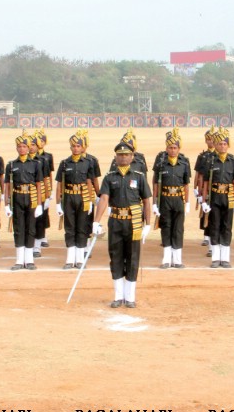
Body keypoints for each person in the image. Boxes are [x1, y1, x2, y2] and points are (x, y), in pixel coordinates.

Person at [93, 138, 152, 308]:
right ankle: (118, 296)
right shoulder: (110, 177)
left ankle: (130, 296)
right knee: (116, 257)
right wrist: (96, 222)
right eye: (120, 155)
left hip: (133, 222)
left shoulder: (139, 177)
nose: (123, 158)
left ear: (132, 156)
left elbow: (147, 200)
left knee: (132, 257)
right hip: (116, 222)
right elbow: (104, 198)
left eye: (126, 155)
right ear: (115, 157)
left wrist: (148, 224)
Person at [56, 130, 98, 270]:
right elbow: (59, 185)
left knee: (81, 227)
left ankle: (80, 259)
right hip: (68, 197)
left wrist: (91, 200)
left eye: (78, 146)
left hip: (83, 197)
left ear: (82, 147)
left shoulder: (88, 163)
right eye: (73, 146)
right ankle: (70, 259)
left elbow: (89, 182)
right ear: (70, 148)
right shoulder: (64, 163)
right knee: (70, 228)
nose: (76, 148)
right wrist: (57, 203)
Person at [4, 131, 45, 270]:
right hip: (17, 198)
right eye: (19, 146)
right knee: (18, 228)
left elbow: (39, 185)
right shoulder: (11, 164)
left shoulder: (36, 164)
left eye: (24, 146)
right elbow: (7, 186)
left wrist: (39, 204)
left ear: (28, 148)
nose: (22, 148)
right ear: (16, 148)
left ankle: (29, 259)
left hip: (31, 197)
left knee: (30, 228)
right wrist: (6, 204)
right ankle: (19, 260)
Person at [201, 127, 234, 269]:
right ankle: (216, 257)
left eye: (225, 144)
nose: (222, 146)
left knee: (227, 226)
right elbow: (206, 183)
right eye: (220, 144)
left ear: (228, 145)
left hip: (229, 196)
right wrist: (204, 200)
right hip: (215, 197)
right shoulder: (210, 162)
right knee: (215, 225)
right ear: (216, 145)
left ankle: (225, 258)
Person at [153, 127, 192, 269]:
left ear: (179, 148)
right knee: (166, 227)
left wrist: (187, 202)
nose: (173, 150)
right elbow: (156, 184)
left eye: (175, 147)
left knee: (178, 229)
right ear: (166, 148)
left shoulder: (184, 163)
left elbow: (186, 184)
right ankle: (166, 259)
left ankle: (177, 259)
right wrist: (155, 203)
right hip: (165, 199)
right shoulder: (161, 164)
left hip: (178, 199)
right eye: (170, 147)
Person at [30, 130, 55, 258]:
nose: (31, 147)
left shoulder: (42, 160)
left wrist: (48, 193)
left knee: (40, 220)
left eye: (33, 145)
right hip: (27, 194)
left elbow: (46, 177)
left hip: (40, 193)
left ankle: (37, 246)